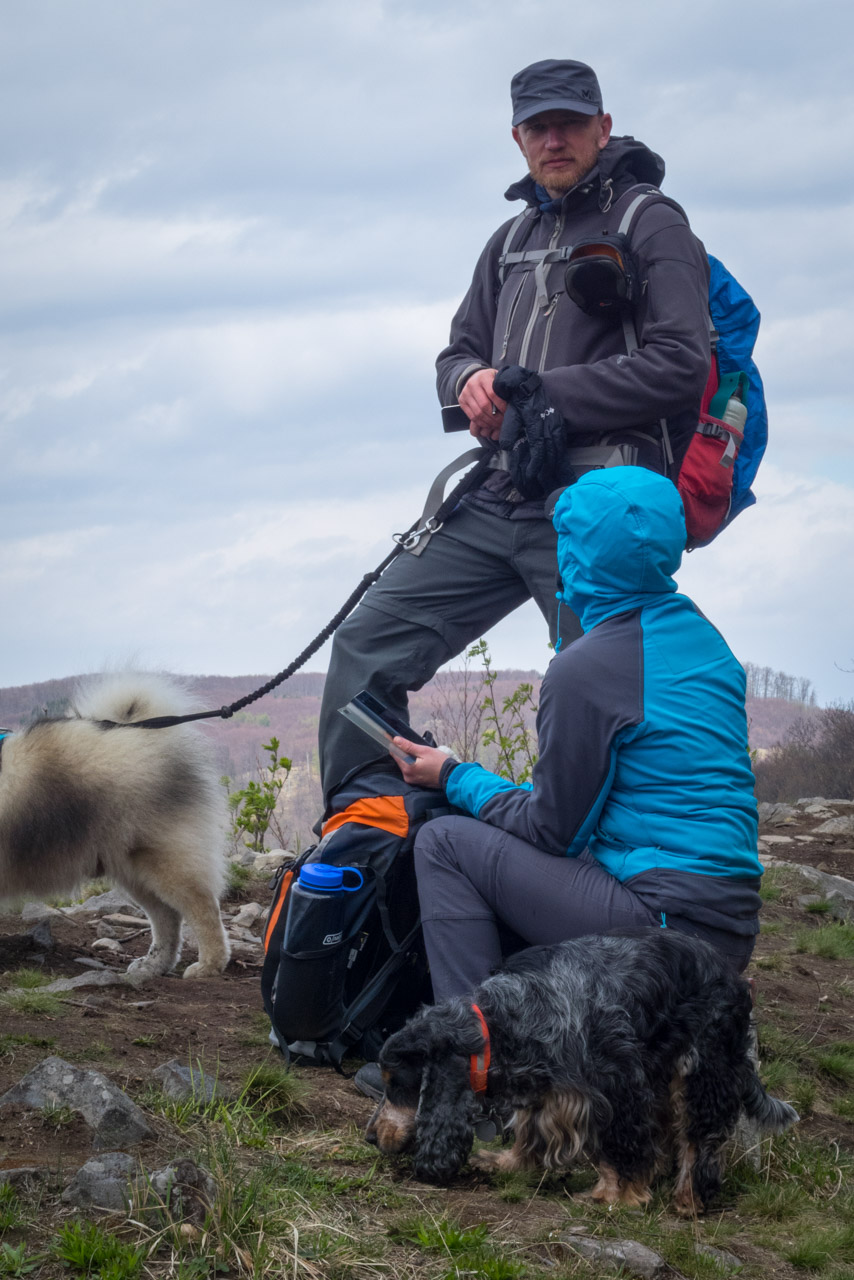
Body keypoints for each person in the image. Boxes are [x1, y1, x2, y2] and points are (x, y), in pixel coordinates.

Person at [318, 56, 711, 818]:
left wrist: (540, 391)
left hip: (599, 505)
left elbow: (681, 367)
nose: (553, 139)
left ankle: (618, 858)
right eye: (538, 127)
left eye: (569, 123)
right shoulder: (509, 239)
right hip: (500, 491)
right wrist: (468, 381)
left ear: (603, 127)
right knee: (365, 645)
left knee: (601, 682)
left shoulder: (650, 222)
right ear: (517, 138)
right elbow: (456, 352)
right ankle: (367, 837)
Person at [395, 466, 763, 1003]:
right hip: (728, 929)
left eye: (565, 536)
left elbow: (552, 831)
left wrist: (452, 775)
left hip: (660, 930)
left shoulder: (587, 666)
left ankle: (468, 1054)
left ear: (578, 554)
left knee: (444, 841)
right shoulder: (702, 638)